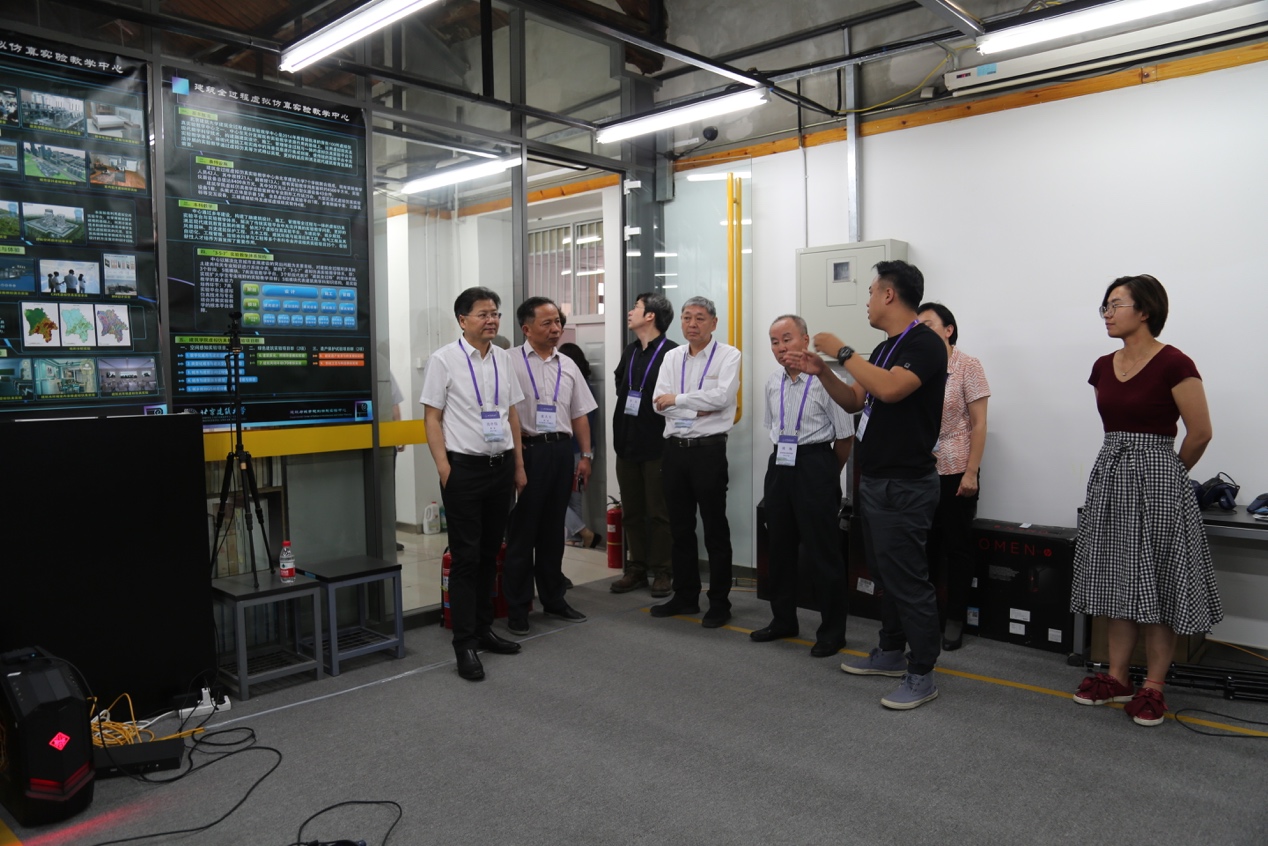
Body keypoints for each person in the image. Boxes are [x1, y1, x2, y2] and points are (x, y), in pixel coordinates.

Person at [790, 260, 947, 710]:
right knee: (884, 574)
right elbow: (857, 400)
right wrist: (823, 372)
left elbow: (892, 389)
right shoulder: (882, 348)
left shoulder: (925, 343)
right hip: (875, 479)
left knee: (907, 579)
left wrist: (842, 352)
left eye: (871, 291)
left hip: (905, 484)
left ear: (889, 294)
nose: (868, 300)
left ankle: (922, 673)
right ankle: (892, 651)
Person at [1070, 274, 1220, 727]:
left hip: (1158, 478)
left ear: (1146, 310)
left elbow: (1200, 432)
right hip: (1112, 475)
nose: (1107, 314)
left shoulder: (1175, 362)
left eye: (1115, 304)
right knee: (1119, 578)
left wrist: (1169, 475)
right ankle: (1116, 677)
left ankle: (1154, 685)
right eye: (1105, 306)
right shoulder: (1102, 365)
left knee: (1160, 580)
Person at [420, 287, 527, 682]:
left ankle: (484, 629)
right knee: (465, 558)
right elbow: (432, 418)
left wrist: (518, 466)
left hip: (501, 468)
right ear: (462, 320)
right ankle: (463, 643)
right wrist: (444, 469)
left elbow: (511, 414)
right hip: (463, 470)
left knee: (489, 554)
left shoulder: (503, 358)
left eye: (495, 313)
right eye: (483, 314)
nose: (492, 320)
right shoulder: (443, 360)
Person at [752, 314, 854, 657]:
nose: (781, 347)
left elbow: (845, 438)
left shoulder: (829, 380)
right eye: (774, 341)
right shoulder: (772, 382)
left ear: (805, 340)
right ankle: (783, 620)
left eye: (787, 339)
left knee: (823, 553)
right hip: (780, 465)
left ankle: (833, 631)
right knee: (779, 549)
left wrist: (825, 475)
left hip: (815, 464)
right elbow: (773, 427)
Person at [503, 297, 597, 635]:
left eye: (558, 321)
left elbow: (579, 413)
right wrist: (515, 457)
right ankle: (518, 608)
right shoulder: (508, 361)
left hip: (560, 451)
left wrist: (585, 456)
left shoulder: (568, 365)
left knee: (553, 532)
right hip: (527, 451)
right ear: (527, 328)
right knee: (522, 534)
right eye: (547, 323)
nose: (556, 328)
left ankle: (554, 599)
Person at [650, 295, 742, 628]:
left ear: (713, 323)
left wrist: (678, 400)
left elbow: (722, 398)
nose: (692, 323)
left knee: (715, 528)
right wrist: (695, 406)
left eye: (700, 318)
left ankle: (719, 602)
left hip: (708, 451)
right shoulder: (672, 357)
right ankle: (685, 596)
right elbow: (657, 403)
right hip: (674, 451)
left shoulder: (729, 355)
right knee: (680, 528)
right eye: (687, 317)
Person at [917, 302, 990, 651]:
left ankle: (955, 618)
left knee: (957, 547)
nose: (922, 331)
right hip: (922, 468)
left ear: (949, 330)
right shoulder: (918, 365)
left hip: (957, 467)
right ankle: (926, 617)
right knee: (925, 546)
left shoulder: (967, 365)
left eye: (929, 325)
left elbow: (980, 423)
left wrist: (971, 472)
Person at [611, 292, 678, 597]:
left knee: (659, 512)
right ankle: (636, 568)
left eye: (636, 307)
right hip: (627, 442)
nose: (630, 312)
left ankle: (663, 571)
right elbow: (620, 383)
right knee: (632, 511)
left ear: (650, 315)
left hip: (657, 445)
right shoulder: (631, 350)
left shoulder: (672, 353)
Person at [558, 341, 600, 549]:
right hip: (578, 450)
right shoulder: (584, 385)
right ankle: (577, 536)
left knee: (561, 497)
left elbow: (584, 421)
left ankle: (582, 532)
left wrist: (585, 456)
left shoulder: (580, 387)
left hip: (577, 450)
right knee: (572, 497)